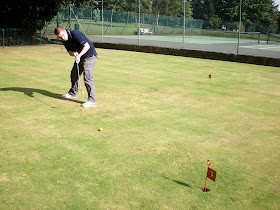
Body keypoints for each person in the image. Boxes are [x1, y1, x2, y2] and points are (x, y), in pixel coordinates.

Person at [54, 27, 98, 107]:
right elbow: (70, 52)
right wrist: (74, 54)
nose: (63, 38)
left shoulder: (75, 34)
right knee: (74, 74)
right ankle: (73, 93)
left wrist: (79, 55)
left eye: (63, 35)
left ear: (65, 31)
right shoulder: (64, 40)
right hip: (80, 56)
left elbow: (87, 46)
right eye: (60, 37)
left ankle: (92, 100)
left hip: (89, 56)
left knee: (87, 77)